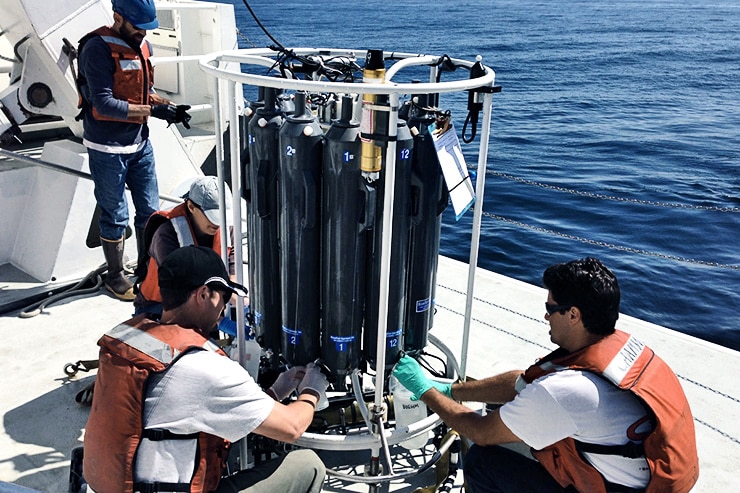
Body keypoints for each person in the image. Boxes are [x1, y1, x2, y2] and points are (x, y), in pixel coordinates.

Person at [393, 257, 699, 493]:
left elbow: (482, 431)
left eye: (550, 307)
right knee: (513, 417)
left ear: (574, 315)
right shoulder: (619, 349)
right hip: (644, 474)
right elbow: (524, 381)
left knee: (483, 461)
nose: (545, 316)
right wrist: (453, 391)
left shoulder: (569, 391)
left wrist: (424, 391)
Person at [83, 246, 327, 493]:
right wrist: (312, 389)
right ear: (203, 294)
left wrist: (275, 391)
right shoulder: (205, 367)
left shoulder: (131, 339)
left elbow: (190, 404)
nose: (223, 308)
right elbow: (292, 428)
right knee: (308, 464)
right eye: (222, 297)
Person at [77, 0, 191, 301]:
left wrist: (167, 106)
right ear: (118, 18)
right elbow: (103, 104)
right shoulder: (96, 49)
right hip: (107, 148)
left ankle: (146, 268)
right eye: (138, 27)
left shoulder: (142, 46)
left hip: (140, 145)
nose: (143, 33)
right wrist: (152, 112)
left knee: (150, 211)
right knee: (115, 213)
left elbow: (142, 92)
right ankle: (115, 276)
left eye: (147, 28)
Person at [134, 175, 233, 316]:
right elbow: (180, 286)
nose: (218, 223)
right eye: (212, 216)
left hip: (205, 299)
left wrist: (242, 303)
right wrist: (217, 320)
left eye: (222, 216)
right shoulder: (166, 233)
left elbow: (232, 273)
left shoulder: (227, 228)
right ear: (191, 207)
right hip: (160, 306)